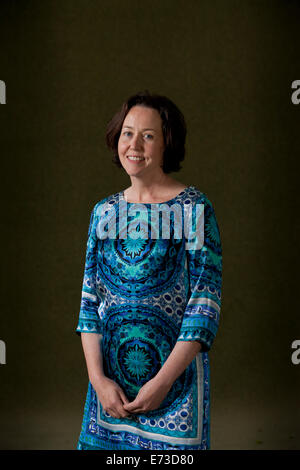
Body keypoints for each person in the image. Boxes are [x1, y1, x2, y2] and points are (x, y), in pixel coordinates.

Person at [75, 90, 222, 450]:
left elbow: (203, 307)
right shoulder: (104, 212)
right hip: (110, 397)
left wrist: (163, 383)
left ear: (167, 143)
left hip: (173, 394)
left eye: (148, 135)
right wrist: (98, 381)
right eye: (128, 132)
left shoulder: (193, 209)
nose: (135, 144)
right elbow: (89, 304)